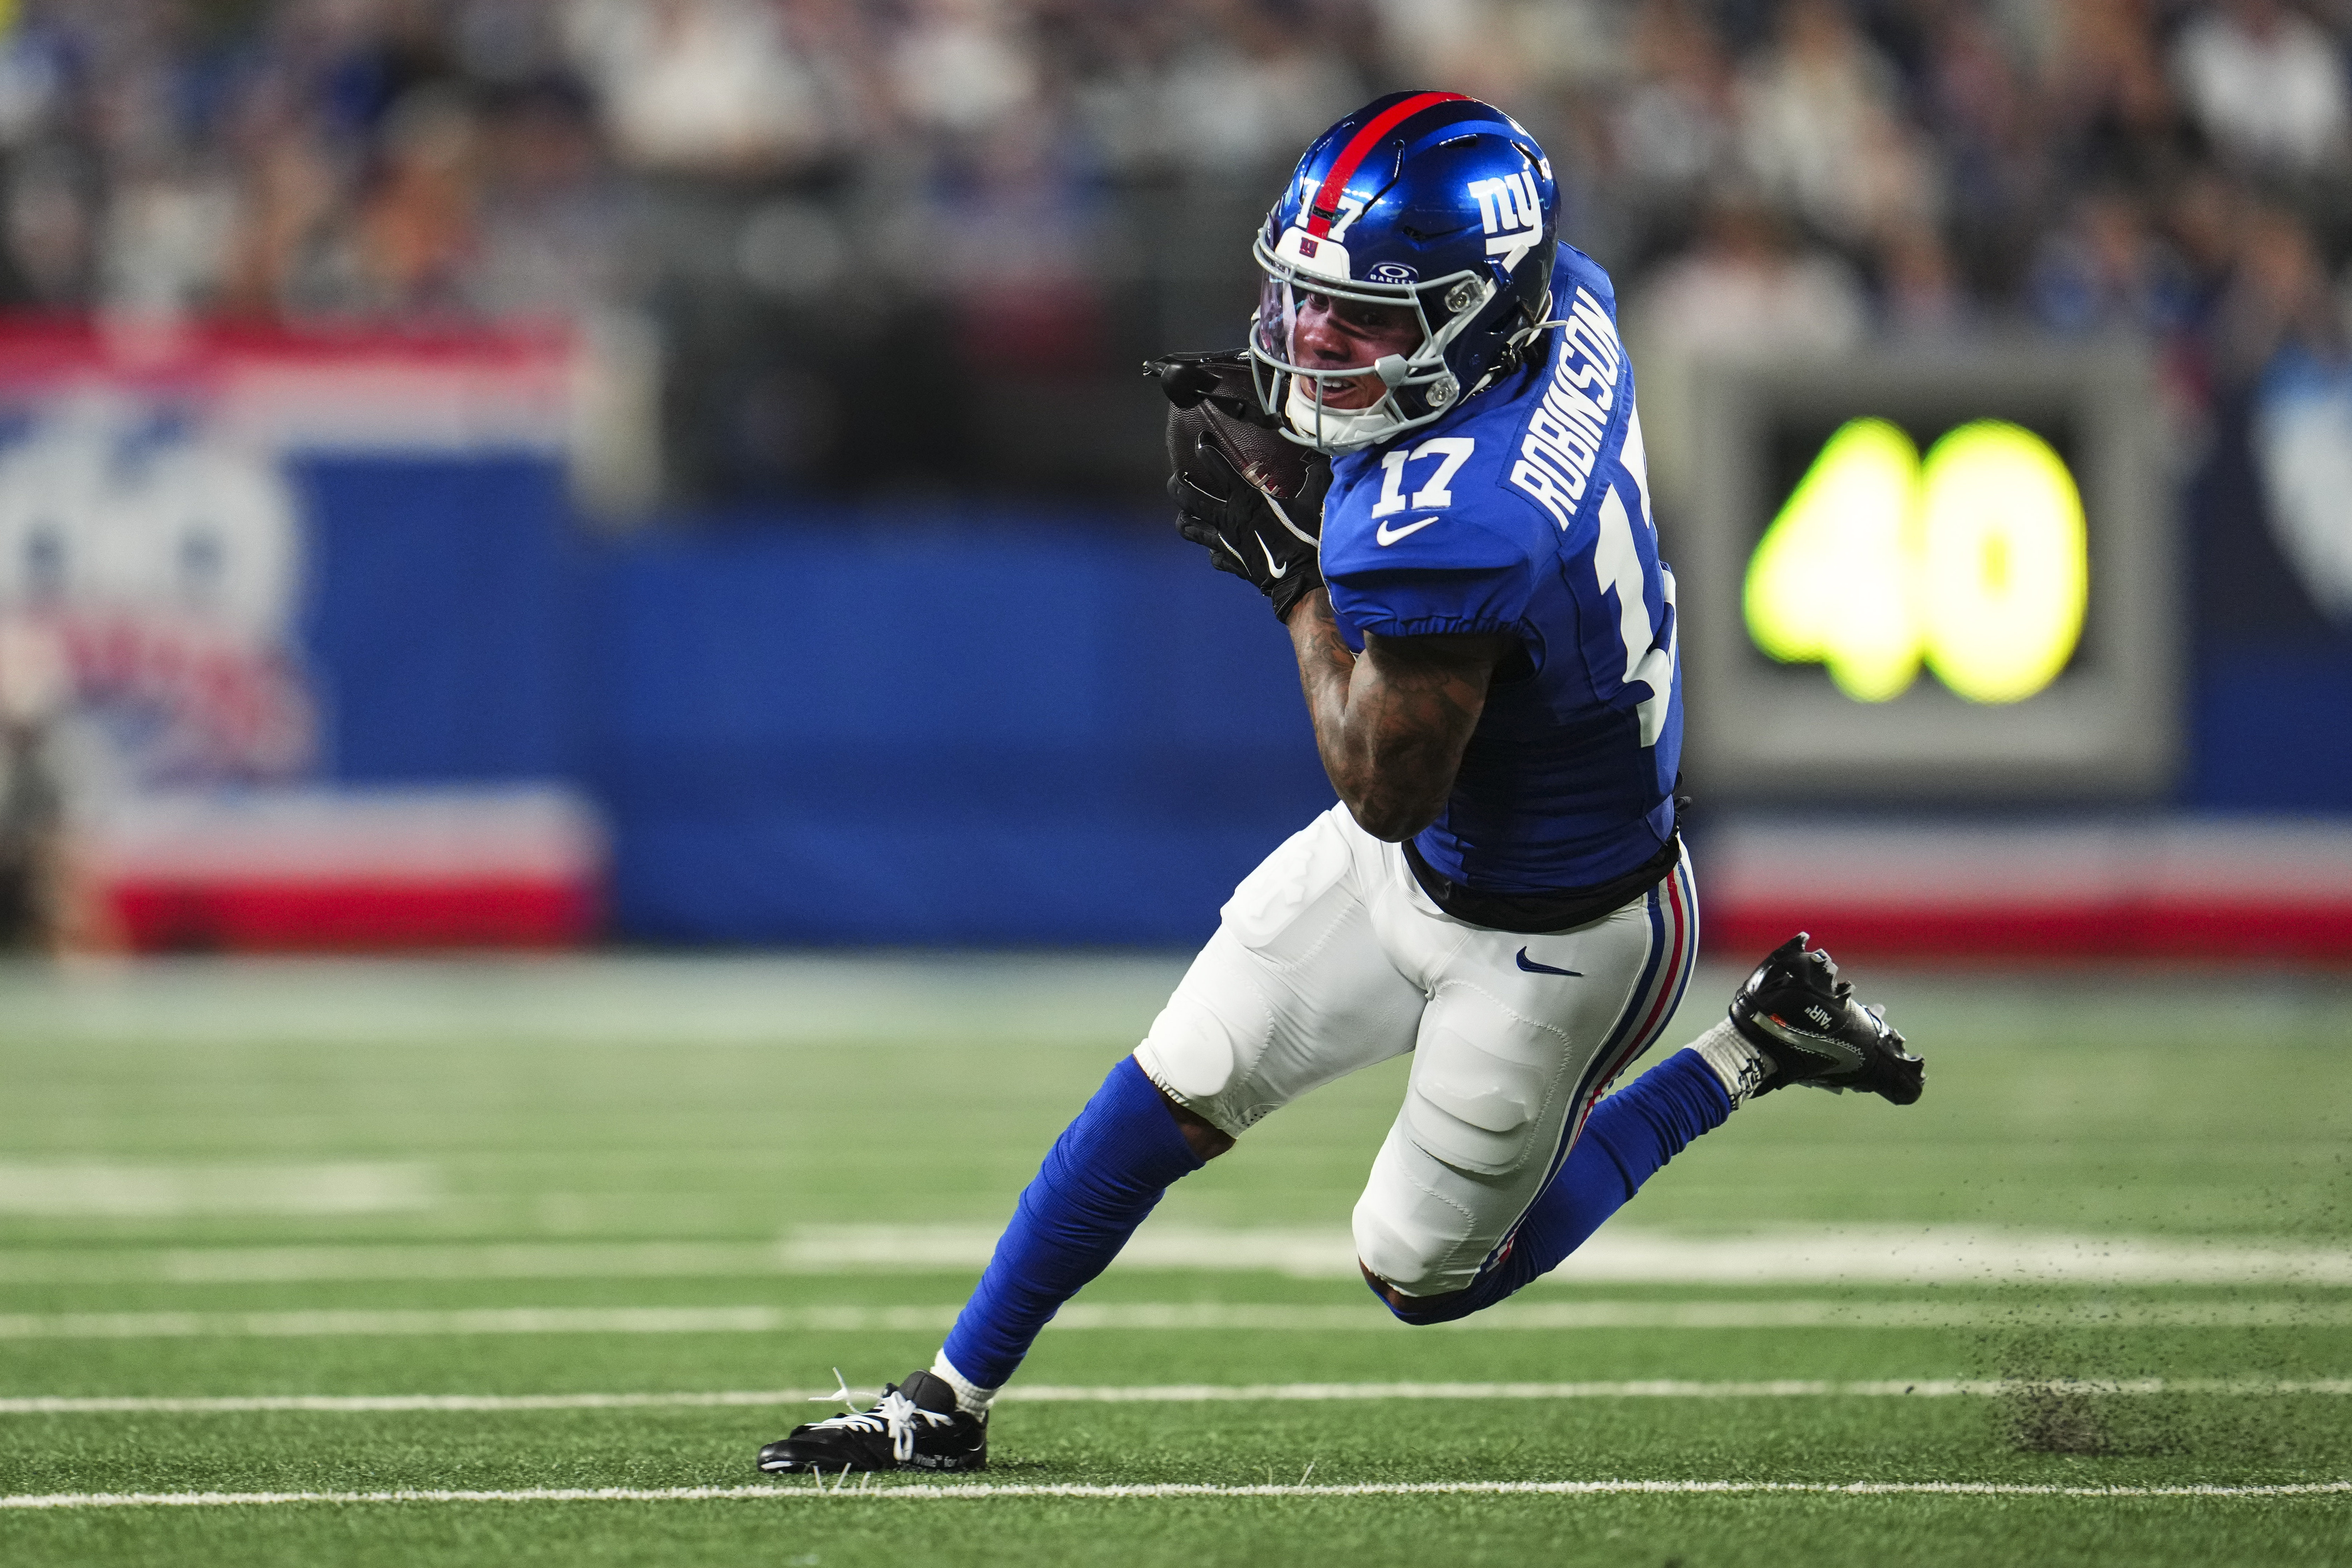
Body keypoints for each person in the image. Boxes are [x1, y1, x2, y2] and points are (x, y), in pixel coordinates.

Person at [755, 91, 1923, 1476]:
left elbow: (1384, 786)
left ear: (1476, 313)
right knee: (1176, 1078)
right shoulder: (1572, 307)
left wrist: (1292, 572)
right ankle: (942, 1399)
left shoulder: (1456, 526)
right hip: (1450, 844)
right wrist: (1335, 433)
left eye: (1360, 317)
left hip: (1557, 925)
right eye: (1305, 299)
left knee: (1420, 1271)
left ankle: (1754, 1048)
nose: (1310, 338)